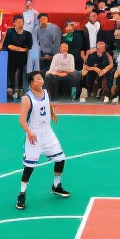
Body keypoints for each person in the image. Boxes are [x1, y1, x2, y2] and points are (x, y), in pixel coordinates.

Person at [17, 71, 70, 210]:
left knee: (60, 159)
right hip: (34, 135)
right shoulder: (27, 98)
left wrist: (52, 113)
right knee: (29, 167)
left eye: (41, 78)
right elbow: (21, 119)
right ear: (31, 83)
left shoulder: (45, 92)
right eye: (38, 79)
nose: (41, 80)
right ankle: (21, 194)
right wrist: (29, 132)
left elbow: (47, 104)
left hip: (48, 132)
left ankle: (56, 186)